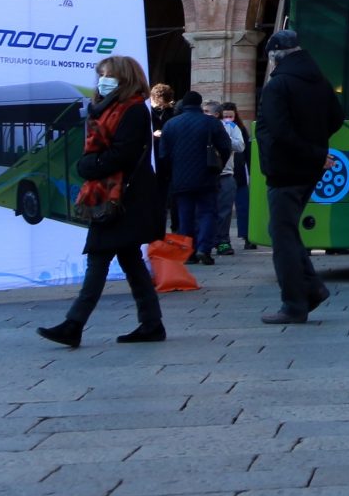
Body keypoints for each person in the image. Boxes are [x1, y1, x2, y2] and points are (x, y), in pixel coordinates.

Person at [38, 54, 166, 348]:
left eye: (108, 75)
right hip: (114, 195)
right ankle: (151, 323)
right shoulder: (106, 109)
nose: (103, 81)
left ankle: (74, 324)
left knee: (98, 257)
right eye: (101, 75)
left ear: (124, 78)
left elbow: (123, 153)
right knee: (130, 260)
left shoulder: (132, 110)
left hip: (122, 197)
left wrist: (88, 166)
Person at [255, 28, 342, 326]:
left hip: (285, 169)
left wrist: (311, 152)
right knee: (286, 230)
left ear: (276, 56)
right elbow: (337, 118)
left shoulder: (278, 85)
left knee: (282, 237)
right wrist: (317, 149)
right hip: (309, 170)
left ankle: (293, 304)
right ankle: (313, 289)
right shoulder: (319, 81)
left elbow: (278, 131)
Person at [160, 91, 228, 266]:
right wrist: (218, 166)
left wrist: (171, 173)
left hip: (180, 177)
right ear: (199, 104)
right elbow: (225, 147)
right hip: (207, 175)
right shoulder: (211, 122)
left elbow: (163, 154)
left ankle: (188, 252)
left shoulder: (171, 124)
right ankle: (204, 249)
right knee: (207, 213)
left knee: (185, 215)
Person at [217, 102, 252, 255]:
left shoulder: (240, 129)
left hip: (239, 171)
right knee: (222, 208)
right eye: (225, 116)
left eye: (231, 116)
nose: (228, 119)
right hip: (225, 171)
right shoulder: (218, 128)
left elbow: (246, 150)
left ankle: (247, 237)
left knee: (243, 206)